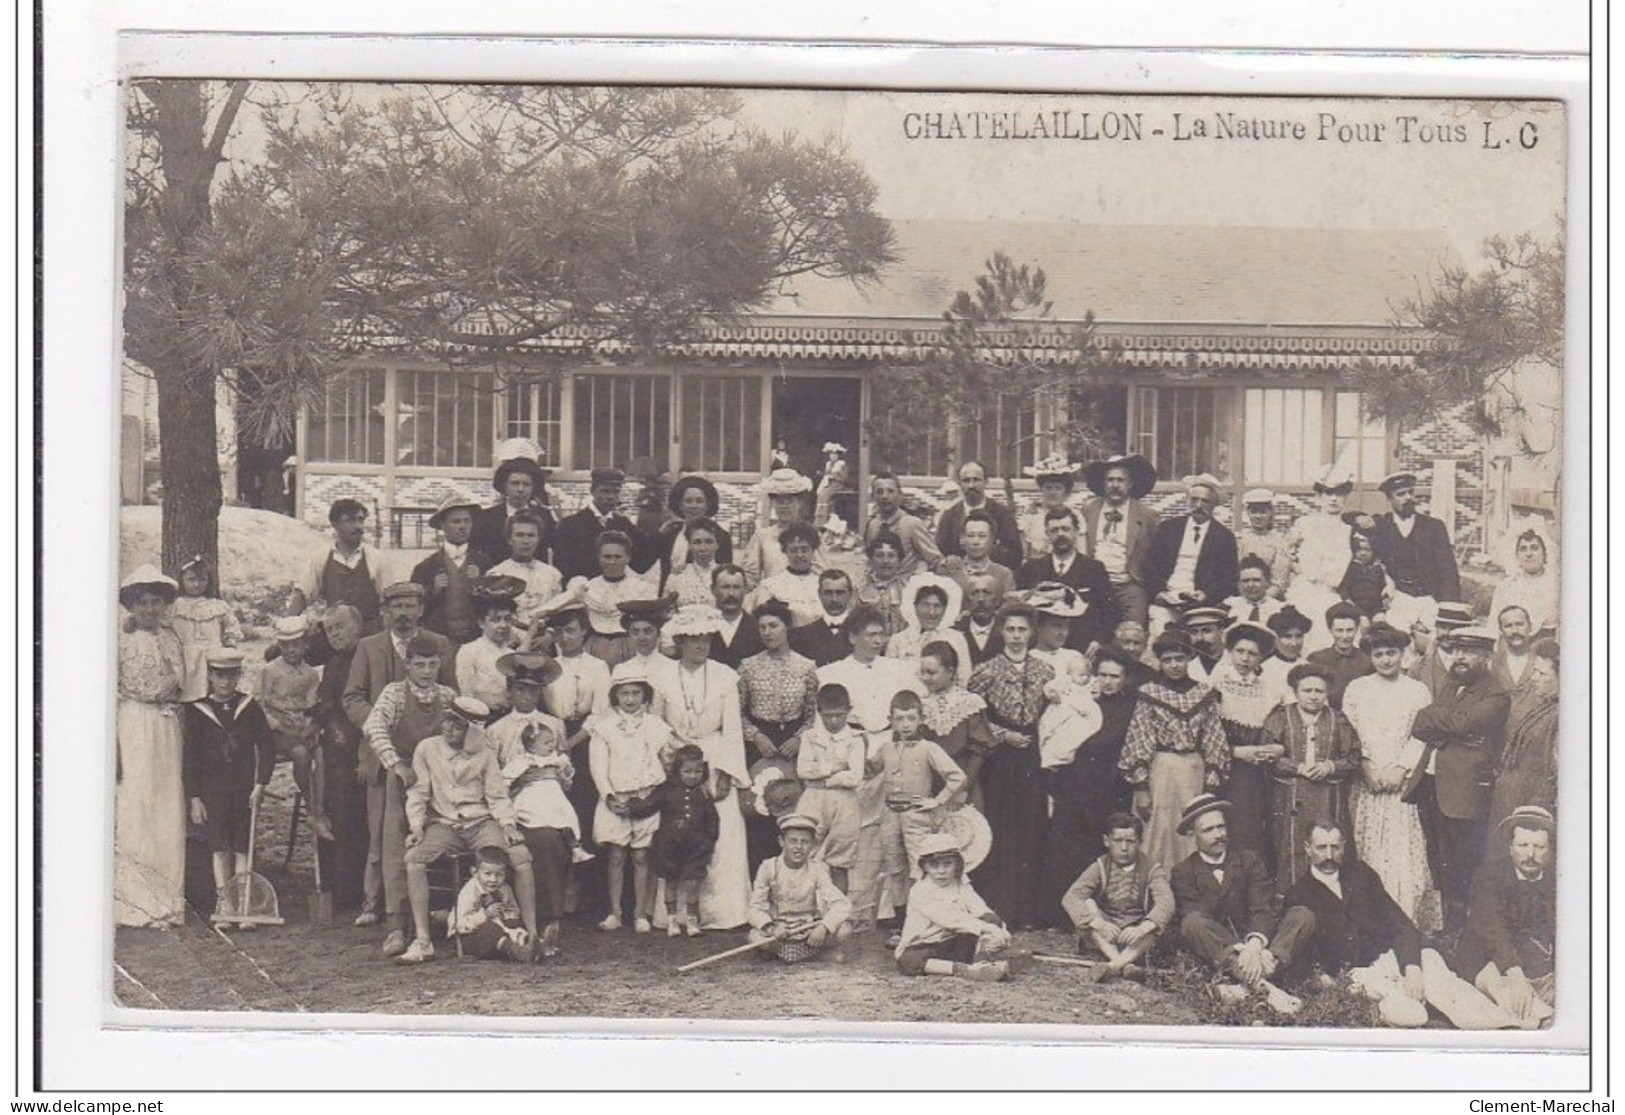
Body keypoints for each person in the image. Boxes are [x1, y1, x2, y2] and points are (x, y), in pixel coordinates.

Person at [397, 695, 539, 965]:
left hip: (480, 822)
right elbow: (418, 793)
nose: (450, 729)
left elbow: (497, 797)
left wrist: (507, 825)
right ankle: (423, 940)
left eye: (459, 725)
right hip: (444, 824)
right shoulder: (427, 749)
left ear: (471, 731)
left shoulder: (484, 754)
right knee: (413, 859)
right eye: (448, 721)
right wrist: (416, 826)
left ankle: (532, 935)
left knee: (521, 857)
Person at [357, 631, 460, 956]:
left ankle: (439, 918)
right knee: (394, 851)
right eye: (420, 665)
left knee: (439, 844)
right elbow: (373, 727)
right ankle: (396, 927)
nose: (427, 671)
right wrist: (396, 765)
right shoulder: (394, 694)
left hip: (439, 783)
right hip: (403, 780)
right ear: (408, 664)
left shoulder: (448, 695)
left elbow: (467, 733)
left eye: (432, 664)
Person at [1169, 795, 1317, 1016]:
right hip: (1223, 951)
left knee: (1302, 915)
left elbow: (1263, 907)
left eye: (1221, 827)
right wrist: (1241, 951)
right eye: (1208, 830)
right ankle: (1266, 987)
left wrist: (1255, 945)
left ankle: (1245, 985)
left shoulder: (1248, 859)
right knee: (1192, 923)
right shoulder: (1183, 872)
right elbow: (1200, 919)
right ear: (1192, 836)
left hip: (1261, 946)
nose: (1218, 835)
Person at [1405, 625, 1511, 932]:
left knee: (1464, 863)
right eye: (1455, 650)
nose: (1459, 658)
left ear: (1486, 656)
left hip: (1464, 792)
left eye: (1469, 652)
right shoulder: (1453, 684)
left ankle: (1465, 931)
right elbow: (1419, 723)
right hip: (1432, 785)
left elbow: (1463, 723)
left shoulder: (1496, 694)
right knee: (1438, 859)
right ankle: (1447, 927)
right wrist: (1448, 725)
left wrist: (1442, 722)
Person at [655, 605, 752, 931]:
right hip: (677, 759)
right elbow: (656, 726)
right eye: (693, 640)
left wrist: (724, 771)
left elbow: (732, 729)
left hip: (715, 753)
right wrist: (668, 765)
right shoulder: (662, 675)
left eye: (706, 640)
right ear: (680, 642)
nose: (700, 646)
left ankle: (722, 913)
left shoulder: (725, 675)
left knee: (722, 830)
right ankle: (676, 914)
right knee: (676, 829)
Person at [1281, 821, 1428, 1020]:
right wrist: (1322, 979)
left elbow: (1399, 922)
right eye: (1321, 848)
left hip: (1392, 957)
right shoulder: (1298, 895)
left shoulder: (1361, 875)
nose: (1329, 856)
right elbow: (1302, 957)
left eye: (1335, 847)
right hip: (1359, 975)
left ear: (1344, 846)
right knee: (1411, 1014)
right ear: (1307, 848)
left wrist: (1411, 967)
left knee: (1449, 990)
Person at [1343, 623, 1437, 928]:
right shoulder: (1357, 689)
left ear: (1403, 654)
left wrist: (1401, 768)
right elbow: (1350, 733)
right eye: (1379, 654)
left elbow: (1423, 734)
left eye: (1392, 653)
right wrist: (1366, 766)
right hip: (1367, 781)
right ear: (1370, 656)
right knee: (1368, 848)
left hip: (1402, 784)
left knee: (1402, 851)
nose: (1386, 660)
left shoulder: (1417, 691)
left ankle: (1405, 919)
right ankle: (1370, 921)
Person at [967, 601, 1055, 929]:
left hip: (1033, 756)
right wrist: (1004, 735)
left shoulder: (1046, 671)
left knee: (1032, 827)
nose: (1016, 636)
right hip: (1000, 759)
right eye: (1010, 629)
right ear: (1001, 631)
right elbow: (974, 716)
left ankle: (1029, 911)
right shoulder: (985, 671)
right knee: (1002, 827)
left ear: (1032, 632)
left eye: (1022, 629)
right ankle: (1001, 906)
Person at [488, 652, 577, 958]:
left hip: (550, 804)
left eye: (533, 690)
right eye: (521, 689)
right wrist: (516, 785)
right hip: (514, 809)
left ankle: (551, 919)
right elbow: (491, 779)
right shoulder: (496, 730)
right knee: (537, 838)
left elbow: (567, 775)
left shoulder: (554, 725)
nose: (527, 696)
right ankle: (527, 922)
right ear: (510, 691)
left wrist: (554, 776)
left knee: (552, 837)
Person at [1119, 630, 1229, 876]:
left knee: (1193, 828)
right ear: (1159, 661)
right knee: (1157, 831)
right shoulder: (1149, 692)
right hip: (1161, 769)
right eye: (1167, 660)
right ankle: (1155, 889)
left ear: (1189, 657)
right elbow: (1139, 737)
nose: (1174, 665)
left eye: (1179, 658)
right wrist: (1141, 786)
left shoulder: (1204, 693)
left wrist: (1211, 785)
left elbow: (1214, 739)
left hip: (1193, 770)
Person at [1042, 646, 1138, 926]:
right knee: (1068, 845)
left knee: (1102, 847)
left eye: (1114, 676)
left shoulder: (1129, 707)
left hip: (1109, 787)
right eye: (1102, 674)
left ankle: (1102, 913)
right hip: (1074, 782)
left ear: (1125, 679)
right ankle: (1063, 914)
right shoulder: (1081, 699)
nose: (1107, 681)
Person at [180, 647, 276, 927]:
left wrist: (261, 784)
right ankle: (226, 904)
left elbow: (266, 747)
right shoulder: (198, 711)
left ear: (239, 676)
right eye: (219, 676)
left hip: (244, 790)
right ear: (210, 675)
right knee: (218, 846)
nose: (225, 682)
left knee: (242, 845)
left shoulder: (249, 707)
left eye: (232, 676)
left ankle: (244, 907)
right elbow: (191, 759)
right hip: (213, 792)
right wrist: (195, 798)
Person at [588, 665, 676, 933]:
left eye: (635, 693)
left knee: (641, 856)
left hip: (646, 798)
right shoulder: (604, 729)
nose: (630, 699)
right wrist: (609, 795)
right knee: (616, 855)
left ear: (644, 696)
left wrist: (656, 791)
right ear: (616, 696)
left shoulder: (656, 726)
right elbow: (598, 767)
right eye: (624, 693)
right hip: (616, 798)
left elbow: (667, 761)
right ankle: (615, 912)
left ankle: (640, 914)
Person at [1261, 662, 1362, 895]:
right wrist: (1296, 767)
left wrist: (1329, 766)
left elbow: (1354, 757)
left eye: (1319, 691)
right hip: (1289, 798)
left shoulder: (1338, 720)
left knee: (1327, 845)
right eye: (1307, 690)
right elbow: (1267, 754)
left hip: (1328, 797)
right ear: (1296, 692)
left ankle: (1331, 900)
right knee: (1292, 848)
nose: (1313, 697)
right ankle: (1292, 903)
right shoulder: (1280, 717)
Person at [871, 690, 968, 931]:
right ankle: (900, 921)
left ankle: (921, 920)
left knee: (920, 867)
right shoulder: (885, 748)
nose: (905, 724)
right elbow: (868, 771)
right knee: (894, 868)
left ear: (921, 719)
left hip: (917, 818)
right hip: (890, 815)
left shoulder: (928, 748)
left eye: (911, 718)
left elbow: (957, 777)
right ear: (890, 720)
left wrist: (936, 801)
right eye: (899, 718)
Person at [1454, 807, 1557, 1028]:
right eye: (1522, 845)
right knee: (1518, 1008)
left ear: (1550, 850)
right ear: (1510, 847)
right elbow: (1493, 929)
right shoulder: (1488, 877)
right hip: (1486, 954)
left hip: (1533, 958)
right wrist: (1515, 973)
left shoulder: (1557, 880)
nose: (1530, 854)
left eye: (1539, 847)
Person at [1205, 621, 1286, 863]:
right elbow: (1204, 735)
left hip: (1257, 772)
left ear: (1260, 658)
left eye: (1252, 654)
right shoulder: (1215, 684)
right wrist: (1238, 752)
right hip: (1222, 768)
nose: (1245, 659)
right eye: (1240, 651)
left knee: (1251, 827)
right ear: (1230, 652)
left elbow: (1281, 727)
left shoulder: (1268, 689)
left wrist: (1278, 747)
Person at [1061, 812, 1175, 982]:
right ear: (1107, 841)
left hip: (1136, 934)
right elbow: (1071, 897)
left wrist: (1142, 928)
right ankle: (1124, 964)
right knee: (1089, 904)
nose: (1124, 848)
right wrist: (1099, 923)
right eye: (1118, 841)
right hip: (1107, 932)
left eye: (1130, 841)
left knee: (1155, 926)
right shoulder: (1099, 866)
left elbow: (1166, 902)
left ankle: (1113, 966)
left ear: (1139, 842)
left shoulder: (1152, 869)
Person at [627, 744, 719, 938]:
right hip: (669, 846)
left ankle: (693, 921)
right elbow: (648, 805)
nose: (693, 776)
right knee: (670, 882)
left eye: (697, 771)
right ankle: (672, 920)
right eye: (687, 771)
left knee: (692, 883)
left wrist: (708, 843)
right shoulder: (667, 790)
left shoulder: (703, 793)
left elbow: (712, 820)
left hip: (695, 847)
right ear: (678, 770)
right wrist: (630, 807)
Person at [894, 832, 1012, 982]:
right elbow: (951, 919)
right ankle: (963, 970)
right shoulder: (920, 891)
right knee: (909, 960)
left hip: (953, 941)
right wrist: (987, 929)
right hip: (924, 945)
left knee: (989, 921)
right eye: (934, 865)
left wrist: (1000, 929)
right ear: (924, 867)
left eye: (947, 864)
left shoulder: (960, 884)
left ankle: (981, 960)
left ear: (957, 864)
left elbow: (980, 908)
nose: (941, 871)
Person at [312, 605, 368, 911]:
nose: (334, 635)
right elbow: (326, 702)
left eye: (339, 627)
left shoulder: (368, 656)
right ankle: (340, 890)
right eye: (329, 630)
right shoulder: (333, 663)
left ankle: (362, 888)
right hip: (336, 746)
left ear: (357, 626)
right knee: (335, 808)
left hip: (362, 743)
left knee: (359, 812)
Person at [537, 531, 659, 666]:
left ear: (628, 558)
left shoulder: (642, 588)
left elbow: (654, 622)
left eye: (618, 557)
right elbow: (552, 607)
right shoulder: (587, 587)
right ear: (599, 558)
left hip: (629, 646)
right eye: (607, 557)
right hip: (594, 646)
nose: (612, 562)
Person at [747, 813, 854, 963]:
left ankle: (812, 951)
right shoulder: (768, 867)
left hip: (809, 929)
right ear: (781, 842)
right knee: (754, 936)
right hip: (779, 930)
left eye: (804, 842)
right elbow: (754, 908)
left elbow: (842, 904)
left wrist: (824, 927)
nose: (798, 847)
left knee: (845, 930)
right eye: (793, 841)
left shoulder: (818, 869)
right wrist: (771, 928)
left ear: (812, 845)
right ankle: (779, 952)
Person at [258, 615, 329, 840]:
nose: (291, 650)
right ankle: (310, 801)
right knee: (300, 754)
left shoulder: (310, 674)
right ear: (279, 646)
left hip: (299, 728)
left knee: (321, 752)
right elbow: (259, 704)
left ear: (305, 645)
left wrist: (309, 725)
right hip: (276, 730)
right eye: (285, 645)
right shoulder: (270, 671)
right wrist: (277, 724)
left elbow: (310, 706)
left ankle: (319, 807)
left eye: (296, 645)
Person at [1144, 474, 1240, 634]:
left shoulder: (1223, 536)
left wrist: (1206, 594)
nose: (1198, 505)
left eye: (1205, 501)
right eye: (1194, 500)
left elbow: (1228, 578)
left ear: (1215, 504)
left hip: (1201, 604)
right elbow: (1149, 566)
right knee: (1161, 638)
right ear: (1187, 501)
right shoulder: (1168, 528)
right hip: (1167, 600)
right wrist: (1160, 594)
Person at [1015, 507, 1119, 653]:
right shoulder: (1032, 568)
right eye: (1054, 530)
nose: (1061, 534)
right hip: (1040, 650)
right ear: (1047, 535)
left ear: (1076, 531)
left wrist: (1098, 641)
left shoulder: (1094, 569)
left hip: (1083, 648)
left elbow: (1110, 611)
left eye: (1066, 529)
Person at [794, 683, 867, 894]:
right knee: (803, 852)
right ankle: (803, 911)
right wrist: (834, 768)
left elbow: (854, 777)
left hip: (844, 802)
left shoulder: (855, 739)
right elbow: (803, 770)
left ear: (848, 711)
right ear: (819, 712)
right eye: (828, 716)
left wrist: (825, 778)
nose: (834, 721)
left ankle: (838, 915)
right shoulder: (810, 737)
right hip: (813, 800)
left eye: (839, 715)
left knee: (840, 861)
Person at [817, 604, 922, 741]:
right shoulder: (831, 674)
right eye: (871, 635)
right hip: (850, 744)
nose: (878, 641)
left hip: (893, 743)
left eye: (881, 635)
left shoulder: (900, 669)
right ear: (853, 638)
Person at [738, 599, 819, 776]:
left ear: (787, 627)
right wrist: (756, 736)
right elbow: (737, 712)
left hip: (794, 741)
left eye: (773, 626)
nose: (767, 632)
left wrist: (799, 739)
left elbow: (813, 714)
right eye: (762, 627)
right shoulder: (748, 667)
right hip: (757, 743)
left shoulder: (806, 667)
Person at [1285, 467, 1361, 654]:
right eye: (1328, 493)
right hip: (1304, 593)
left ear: (1346, 497)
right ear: (1319, 496)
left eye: (1339, 494)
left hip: (1331, 595)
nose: (1333, 499)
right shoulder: (1304, 524)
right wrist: (1296, 569)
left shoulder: (1348, 530)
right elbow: (1286, 551)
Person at [289, 499, 391, 635]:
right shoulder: (321, 557)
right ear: (335, 524)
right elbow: (302, 594)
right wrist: (289, 628)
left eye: (360, 520)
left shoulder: (376, 558)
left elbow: (391, 600)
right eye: (350, 520)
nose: (358, 526)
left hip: (368, 634)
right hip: (334, 634)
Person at [1079, 454, 1160, 627]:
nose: (1115, 485)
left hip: (1129, 586)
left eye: (1121, 480)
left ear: (1130, 484)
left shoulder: (1147, 516)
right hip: (1095, 583)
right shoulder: (1088, 510)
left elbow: (1155, 555)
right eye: (1110, 480)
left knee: (1133, 631)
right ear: (1103, 483)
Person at [916, 641, 997, 811]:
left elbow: (979, 751)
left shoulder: (968, 703)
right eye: (922, 672)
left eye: (931, 673)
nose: (925, 678)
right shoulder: (920, 706)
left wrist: (964, 789)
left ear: (950, 672)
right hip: (930, 783)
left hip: (964, 781)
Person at [1489, 639, 1559, 831]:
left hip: (1530, 807)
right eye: (1534, 671)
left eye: (1542, 673)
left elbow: (1556, 774)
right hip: (1511, 801)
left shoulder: (1561, 717)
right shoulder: (1543, 707)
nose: (1533, 678)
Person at [1369, 470, 1461, 606]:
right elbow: (1347, 520)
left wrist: (1447, 604)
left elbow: (1448, 570)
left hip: (1429, 597)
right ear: (1389, 499)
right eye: (1400, 494)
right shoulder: (1381, 526)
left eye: (1410, 492)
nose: (1408, 498)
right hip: (1395, 598)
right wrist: (1357, 517)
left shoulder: (1433, 527)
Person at [410, 495, 492, 644]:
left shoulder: (484, 563)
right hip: (439, 639)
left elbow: (495, 603)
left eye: (467, 521)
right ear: (442, 525)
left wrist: (481, 583)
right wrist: (433, 590)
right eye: (456, 521)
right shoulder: (427, 567)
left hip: (477, 639)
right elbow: (415, 608)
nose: (463, 526)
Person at [550, 468, 647, 584]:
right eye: (605, 491)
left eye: (615, 492)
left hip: (615, 591)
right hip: (582, 590)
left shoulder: (624, 524)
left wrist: (661, 535)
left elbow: (640, 564)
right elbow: (562, 567)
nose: (610, 497)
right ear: (592, 491)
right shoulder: (570, 525)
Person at [472, 439, 557, 566]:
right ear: (504, 485)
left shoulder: (544, 516)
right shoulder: (487, 517)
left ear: (533, 487)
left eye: (526, 484)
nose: (520, 489)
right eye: (515, 483)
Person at [170, 554, 242, 702]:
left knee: (214, 697)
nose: (197, 584)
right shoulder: (174, 607)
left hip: (213, 659)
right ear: (181, 580)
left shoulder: (217, 606)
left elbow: (231, 630)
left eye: (202, 579)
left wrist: (229, 648)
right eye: (191, 579)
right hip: (186, 661)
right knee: (188, 699)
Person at [487, 511, 564, 642]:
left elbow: (559, 613)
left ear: (538, 538)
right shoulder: (496, 574)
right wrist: (522, 638)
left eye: (531, 535)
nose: (526, 541)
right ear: (509, 539)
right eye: (519, 535)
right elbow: (493, 617)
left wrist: (548, 636)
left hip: (544, 641)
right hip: (508, 642)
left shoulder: (552, 574)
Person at [452, 846, 537, 964]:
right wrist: (485, 914)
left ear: (505, 874)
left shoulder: (504, 889)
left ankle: (535, 947)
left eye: (499, 875)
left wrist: (506, 913)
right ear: (475, 872)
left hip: (501, 929)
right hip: (472, 937)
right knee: (490, 929)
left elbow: (514, 911)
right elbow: (460, 925)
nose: (493, 879)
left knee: (514, 925)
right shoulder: (469, 892)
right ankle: (517, 952)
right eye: (487, 874)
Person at [935, 460, 1023, 570]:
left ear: (986, 482)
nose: (971, 485)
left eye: (976, 480)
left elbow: (1015, 555)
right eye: (966, 481)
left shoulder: (1002, 515)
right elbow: (940, 551)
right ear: (959, 484)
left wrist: (983, 552)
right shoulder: (949, 517)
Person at [885, 575, 972, 685]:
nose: (931, 613)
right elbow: (890, 680)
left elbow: (964, 679)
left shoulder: (957, 639)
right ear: (915, 606)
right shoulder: (898, 641)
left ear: (945, 609)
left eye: (937, 606)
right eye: (925, 605)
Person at [742, 469, 815, 588]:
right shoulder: (763, 536)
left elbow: (823, 575)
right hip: (773, 599)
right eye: (779, 501)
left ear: (800, 503)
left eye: (789, 501)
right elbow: (750, 577)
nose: (784, 506)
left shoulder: (811, 534)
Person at [654, 475, 735, 582]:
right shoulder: (669, 533)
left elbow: (724, 575)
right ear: (680, 505)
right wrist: (658, 534)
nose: (693, 506)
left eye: (699, 501)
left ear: (707, 505)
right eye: (688, 501)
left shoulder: (721, 536)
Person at [454, 590, 523, 715]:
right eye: (495, 620)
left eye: (507, 619)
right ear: (481, 623)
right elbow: (466, 693)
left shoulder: (512, 654)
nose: (503, 625)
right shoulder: (469, 651)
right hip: (480, 716)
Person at [864, 471, 941, 578]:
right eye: (879, 492)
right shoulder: (873, 525)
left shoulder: (912, 524)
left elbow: (934, 559)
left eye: (890, 491)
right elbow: (870, 561)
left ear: (900, 495)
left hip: (905, 586)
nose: (885, 496)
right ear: (873, 496)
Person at [750, 521, 825, 627]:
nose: (799, 555)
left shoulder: (823, 585)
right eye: (794, 550)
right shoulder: (770, 587)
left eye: (804, 550)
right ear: (785, 551)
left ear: (813, 551)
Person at [1489, 526, 1558, 637]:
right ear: (1517, 556)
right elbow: (1493, 626)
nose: (1529, 554)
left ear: (1544, 554)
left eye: (1534, 548)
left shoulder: (1556, 586)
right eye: (1523, 549)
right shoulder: (1505, 587)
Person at [1306, 601, 1374, 708]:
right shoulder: (1316, 659)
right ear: (1330, 630)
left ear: (1357, 629)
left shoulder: (1367, 661)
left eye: (1350, 630)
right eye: (1339, 630)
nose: (1345, 636)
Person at [938, 510, 1017, 601]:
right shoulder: (950, 570)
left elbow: (1008, 610)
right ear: (962, 539)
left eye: (982, 536)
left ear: (992, 540)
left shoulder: (1004, 575)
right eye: (971, 535)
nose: (976, 542)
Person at [789, 569, 856, 667]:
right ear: (819, 594)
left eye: (840, 593)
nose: (834, 599)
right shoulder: (801, 636)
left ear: (850, 594)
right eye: (828, 593)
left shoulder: (863, 633)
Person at [1019, 455, 1080, 560]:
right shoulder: (1030, 515)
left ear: (1066, 491)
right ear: (1041, 489)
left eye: (1058, 488)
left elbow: (1082, 551)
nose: (1053, 493)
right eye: (1048, 487)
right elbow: (1023, 552)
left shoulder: (1075, 515)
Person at [854, 530, 914, 637]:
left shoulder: (908, 589)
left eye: (891, 556)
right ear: (871, 560)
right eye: (879, 555)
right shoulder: (860, 589)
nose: (886, 561)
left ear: (899, 560)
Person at [1235, 488, 1293, 596]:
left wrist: (1261, 600)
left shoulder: (1279, 542)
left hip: (1270, 598)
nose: (1258, 516)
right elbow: (1233, 573)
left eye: (1262, 511)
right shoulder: (1239, 540)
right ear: (1248, 512)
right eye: (1254, 511)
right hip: (1242, 595)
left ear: (1270, 512)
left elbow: (1279, 581)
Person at [706, 565, 763, 669]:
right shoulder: (702, 628)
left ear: (745, 589)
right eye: (725, 587)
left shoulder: (758, 629)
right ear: (713, 589)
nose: (731, 594)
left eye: (736, 587)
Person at [662, 518, 727, 607]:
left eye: (709, 542)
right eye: (697, 542)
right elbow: (666, 609)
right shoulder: (677, 575)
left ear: (717, 545)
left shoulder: (726, 574)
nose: (703, 548)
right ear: (689, 545)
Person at [1337, 529, 1393, 622]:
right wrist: (1348, 602)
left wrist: (1385, 598)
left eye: (1367, 550)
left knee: (1380, 621)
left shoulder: (1378, 568)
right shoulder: (1352, 568)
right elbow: (1343, 588)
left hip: (1375, 607)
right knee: (1364, 623)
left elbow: (1383, 586)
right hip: (1357, 606)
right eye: (1359, 550)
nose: (1363, 553)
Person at [1260, 605, 1314, 700]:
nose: (1294, 643)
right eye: (1287, 637)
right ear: (1275, 639)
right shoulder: (1265, 669)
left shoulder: (1308, 667)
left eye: (1298, 636)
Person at [952, 572, 1004, 668]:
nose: (981, 599)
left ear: (997, 600)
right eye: (974, 593)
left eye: (987, 593)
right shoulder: (955, 631)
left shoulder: (1007, 630)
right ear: (966, 601)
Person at [1490, 605, 1539, 702]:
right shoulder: (1492, 662)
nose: (1515, 631)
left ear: (1530, 627)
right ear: (1501, 631)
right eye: (1508, 626)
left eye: (1519, 624)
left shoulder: (1542, 660)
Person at [1225, 555, 1284, 628]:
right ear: (1239, 584)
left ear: (1267, 582)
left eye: (1256, 580)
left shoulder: (1279, 609)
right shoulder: (1228, 606)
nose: (1250, 585)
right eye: (1245, 581)